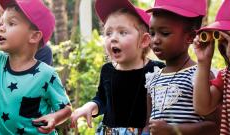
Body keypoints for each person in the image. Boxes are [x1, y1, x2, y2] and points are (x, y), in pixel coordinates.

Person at [70, 0, 165, 134]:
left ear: (144, 40)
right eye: (108, 33)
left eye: (122, 32)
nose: (113, 38)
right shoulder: (108, 70)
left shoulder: (157, 70)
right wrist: (90, 106)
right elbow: (102, 99)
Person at [0, 0, 72, 134]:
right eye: (1, 22)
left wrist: (54, 118)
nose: (0, 27)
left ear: (34, 36)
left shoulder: (46, 74)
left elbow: (66, 109)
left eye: (11, 23)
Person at [145, 0, 220, 134]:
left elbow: (214, 126)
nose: (155, 39)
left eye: (165, 33)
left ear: (190, 37)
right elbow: (148, 124)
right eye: (152, 33)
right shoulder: (153, 78)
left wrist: (171, 130)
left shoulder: (200, 75)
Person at [193, 0, 230, 134]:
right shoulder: (226, 76)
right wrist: (203, 61)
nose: (224, 44)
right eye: (220, 36)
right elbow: (202, 107)